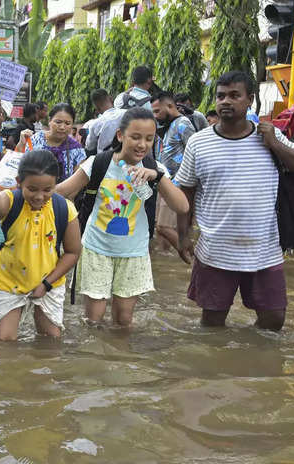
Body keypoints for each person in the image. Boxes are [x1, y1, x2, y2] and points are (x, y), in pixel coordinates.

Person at [175, 71, 294, 331]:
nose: (226, 101)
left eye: (234, 95)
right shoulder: (198, 143)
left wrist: (274, 144)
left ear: (249, 99)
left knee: (274, 321)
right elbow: (186, 192)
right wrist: (183, 235)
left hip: (265, 249)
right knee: (212, 324)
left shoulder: (269, 137)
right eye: (221, 96)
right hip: (216, 251)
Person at [57, 108, 189, 327]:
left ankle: (120, 358)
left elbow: (182, 206)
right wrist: (23, 190)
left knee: (124, 320)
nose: (142, 145)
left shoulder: (154, 169)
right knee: (93, 321)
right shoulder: (97, 164)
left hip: (134, 253)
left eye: (149, 139)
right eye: (135, 137)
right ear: (120, 135)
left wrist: (157, 177)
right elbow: (62, 191)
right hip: (96, 249)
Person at [0, 150, 81, 340]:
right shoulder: (10, 201)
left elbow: (73, 253)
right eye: (32, 189)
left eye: (47, 190)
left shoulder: (64, 209)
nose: (40, 197)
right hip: (8, 282)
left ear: (55, 184)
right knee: (3, 342)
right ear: (19, 182)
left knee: (50, 339)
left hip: (49, 282)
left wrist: (46, 284)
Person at [151, 91, 196, 251]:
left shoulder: (183, 124)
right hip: (164, 181)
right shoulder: (167, 126)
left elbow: (195, 153)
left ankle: (193, 257)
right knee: (162, 233)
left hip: (178, 184)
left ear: (170, 106)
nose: (155, 116)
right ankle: (167, 266)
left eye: (157, 111)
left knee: (163, 227)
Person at [16, 103, 87, 183]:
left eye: (67, 123)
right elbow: (18, 164)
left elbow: (78, 180)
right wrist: (21, 143)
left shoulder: (76, 149)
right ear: (50, 121)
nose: (62, 127)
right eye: (58, 122)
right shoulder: (35, 140)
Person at [86, 89, 124, 155]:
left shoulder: (95, 124)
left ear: (97, 108)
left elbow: (89, 146)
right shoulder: (127, 113)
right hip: (127, 155)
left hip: (105, 160)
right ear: (111, 98)